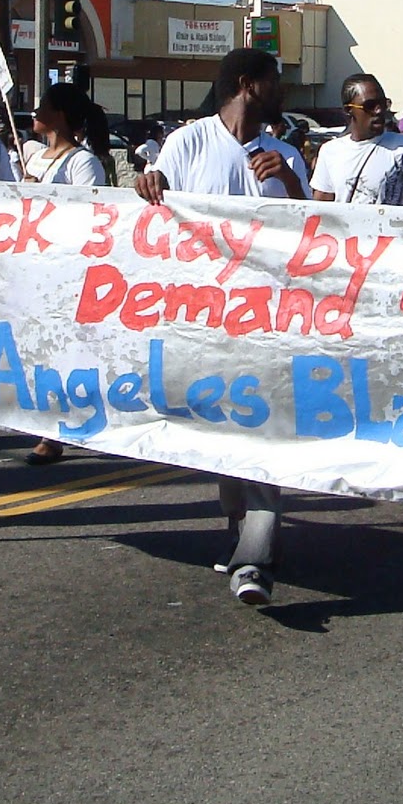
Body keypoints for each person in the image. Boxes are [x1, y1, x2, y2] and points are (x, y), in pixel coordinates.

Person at [135, 48, 310, 607]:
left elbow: (316, 237)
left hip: (270, 323)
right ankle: (239, 527)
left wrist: (291, 181)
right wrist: (148, 186)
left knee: (262, 435)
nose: (282, 90)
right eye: (274, 80)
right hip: (205, 321)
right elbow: (161, 213)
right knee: (223, 438)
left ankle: (252, 560)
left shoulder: (285, 153)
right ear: (247, 84)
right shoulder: (189, 142)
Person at [21, 81, 110, 464]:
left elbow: (90, 217)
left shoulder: (82, 163)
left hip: (67, 273)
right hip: (34, 268)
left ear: (58, 114)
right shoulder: (31, 158)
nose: (35, 112)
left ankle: (56, 430)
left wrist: (47, 198)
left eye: (43, 106)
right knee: (36, 351)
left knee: (64, 351)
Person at [309, 74, 403, 207]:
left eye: (383, 103)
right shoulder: (330, 151)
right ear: (348, 110)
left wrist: (402, 222)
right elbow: (321, 208)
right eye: (370, 105)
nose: (379, 110)